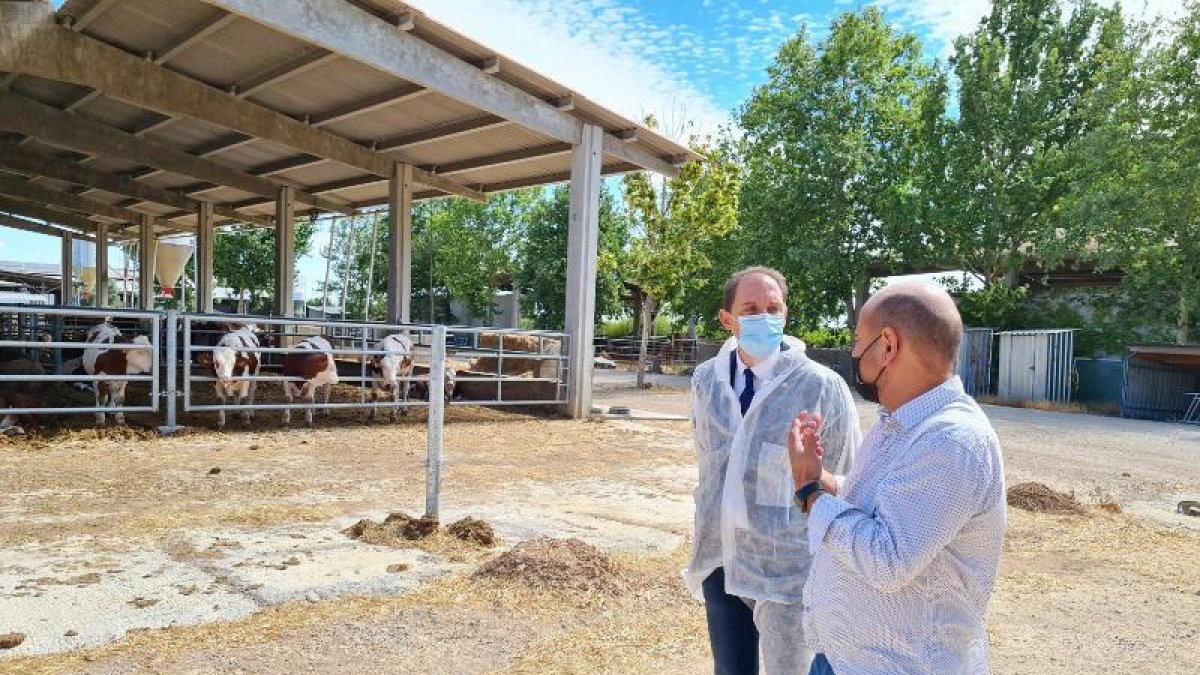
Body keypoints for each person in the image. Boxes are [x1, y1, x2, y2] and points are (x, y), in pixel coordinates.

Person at [788, 281, 1006, 675]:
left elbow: (887, 560)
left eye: (858, 341)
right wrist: (825, 480)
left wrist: (810, 493)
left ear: (887, 346)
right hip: (843, 659)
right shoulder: (903, 423)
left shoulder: (951, 441)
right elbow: (876, 506)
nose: (853, 353)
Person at [686, 266, 861, 675]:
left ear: (785, 314)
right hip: (720, 559)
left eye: (773, 308)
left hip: (788, 574)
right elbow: (709, 464)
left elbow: (849, 477)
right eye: (750, 308)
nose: (764, 317)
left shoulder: (821, 386)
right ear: (727, 320)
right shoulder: (706, 380)